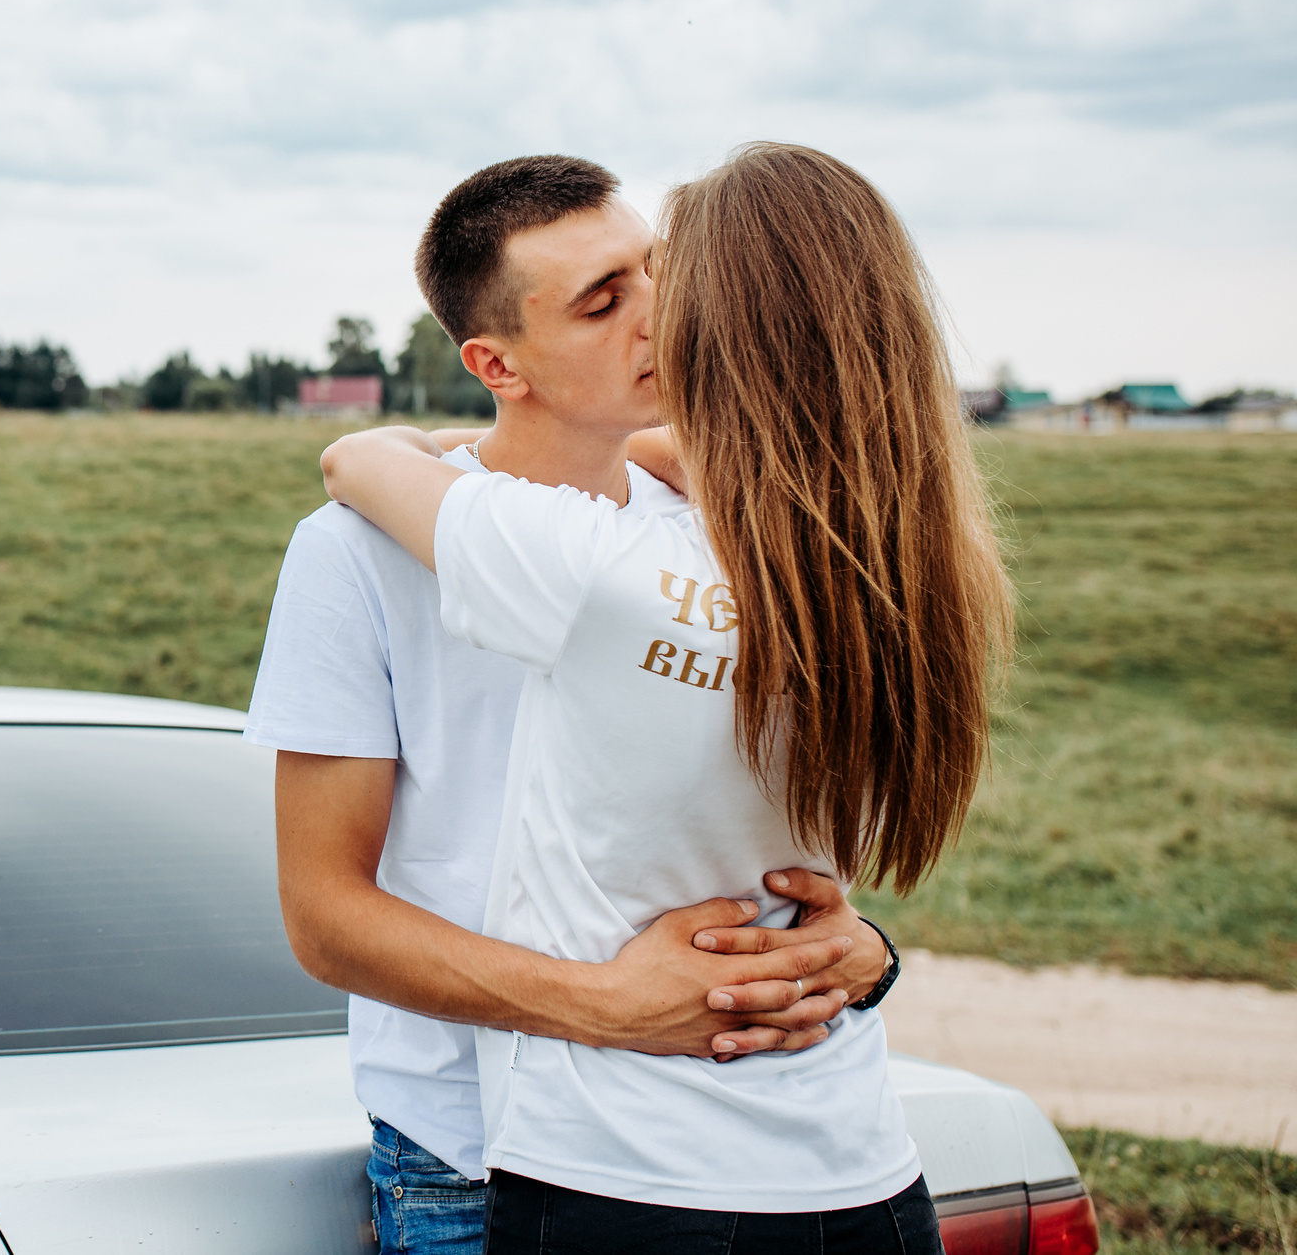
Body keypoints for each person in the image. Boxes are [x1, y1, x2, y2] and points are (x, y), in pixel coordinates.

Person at [318, 142, 1013, 1253]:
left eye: (661, 277)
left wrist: (403, 442)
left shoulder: (604, 557)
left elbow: (357, 459)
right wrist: (857, 951)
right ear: (499, 360)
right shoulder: (881, 555)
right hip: (849, 1169)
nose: (650, 313)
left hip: (626, 1166)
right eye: (605, 297)